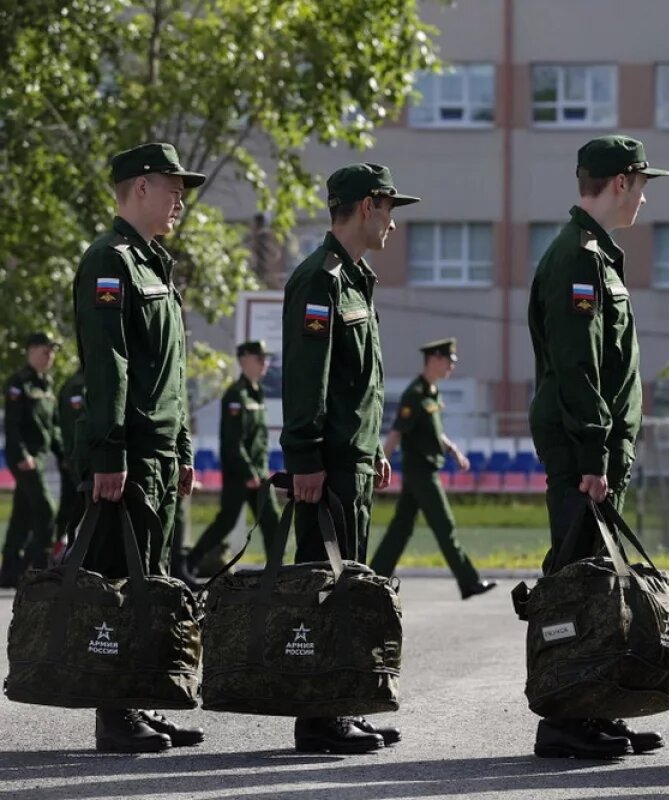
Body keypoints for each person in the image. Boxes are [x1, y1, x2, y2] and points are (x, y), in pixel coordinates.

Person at [526, 135, 669, 760]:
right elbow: (577, 366)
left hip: (599, 452)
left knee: (597, 584)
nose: (643, 199)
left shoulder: (597, 256)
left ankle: (595, 707)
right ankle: (564, 718)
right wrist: (593, 454)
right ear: (620, 183)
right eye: (641, 185)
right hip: (583, 453)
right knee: (576, 583)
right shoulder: (577, 258)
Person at [72, 142, 206, 753]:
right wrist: (108, 452)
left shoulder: (155, 264)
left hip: (157, 454)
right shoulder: (111, 260)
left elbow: (169, 372)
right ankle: (115, 713)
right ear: (140, 187)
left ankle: (143, 700)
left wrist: (182, 448)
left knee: (150, 581)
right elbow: (110, 365)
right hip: (126, 455)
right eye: (172, 188)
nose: (180, 200)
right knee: (119, 584)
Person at [280, 162, 417, 754]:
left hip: (351, 461)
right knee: (322, 588)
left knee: (347, 587)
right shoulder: (321, 279)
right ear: (367, 206)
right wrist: (305, 457)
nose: (393, 224)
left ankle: (339, 704)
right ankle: (317, 717)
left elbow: (355, 384)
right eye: (389, 210)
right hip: (327, 467)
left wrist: (373, 446)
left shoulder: (356, 279)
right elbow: (306, 380)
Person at [369, 338, 496, 599]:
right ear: (434, 359)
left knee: (400, 529)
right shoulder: (415, 394)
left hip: (423, 471)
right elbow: (396, 433)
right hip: (421, 473)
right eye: (448, 360)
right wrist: (380, 466)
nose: (451, 366)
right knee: (444, 525)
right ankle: (469, 581)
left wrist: (453, 450)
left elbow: (435, 431)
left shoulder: (431, 392)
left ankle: (372, 580)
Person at [185, 340, 280, 576]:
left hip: (258, 473)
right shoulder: (236, 395)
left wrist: (260, 471)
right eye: (259, 358)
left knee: (272, 521)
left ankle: (277, 573)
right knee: (226, 522)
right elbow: (232, 441)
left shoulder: (256, 393)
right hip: (240, 475)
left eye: (265, 359)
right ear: (244, 360)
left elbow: (258, 440)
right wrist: (248, 473)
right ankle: (190, 563)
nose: (264, 363)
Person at [1, 333, 63, 586]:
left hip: (40, 456)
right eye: (45, 351)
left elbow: (53, 428)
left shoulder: (47, 384)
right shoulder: (19, 383)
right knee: (46, 509)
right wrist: (22, 455)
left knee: (22, 514)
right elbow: (12, 424)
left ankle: (10, 571)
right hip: (24, 458)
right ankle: (38, 567)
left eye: (52, 351)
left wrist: (64, 455)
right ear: (31, 351)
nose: (50, 356)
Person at [53, 366, 86, 555]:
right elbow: (72, 425)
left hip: (75, 458)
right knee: (76, 510)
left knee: (72, 508)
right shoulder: (78, 385)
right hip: (79, 460)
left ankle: (63, 553)